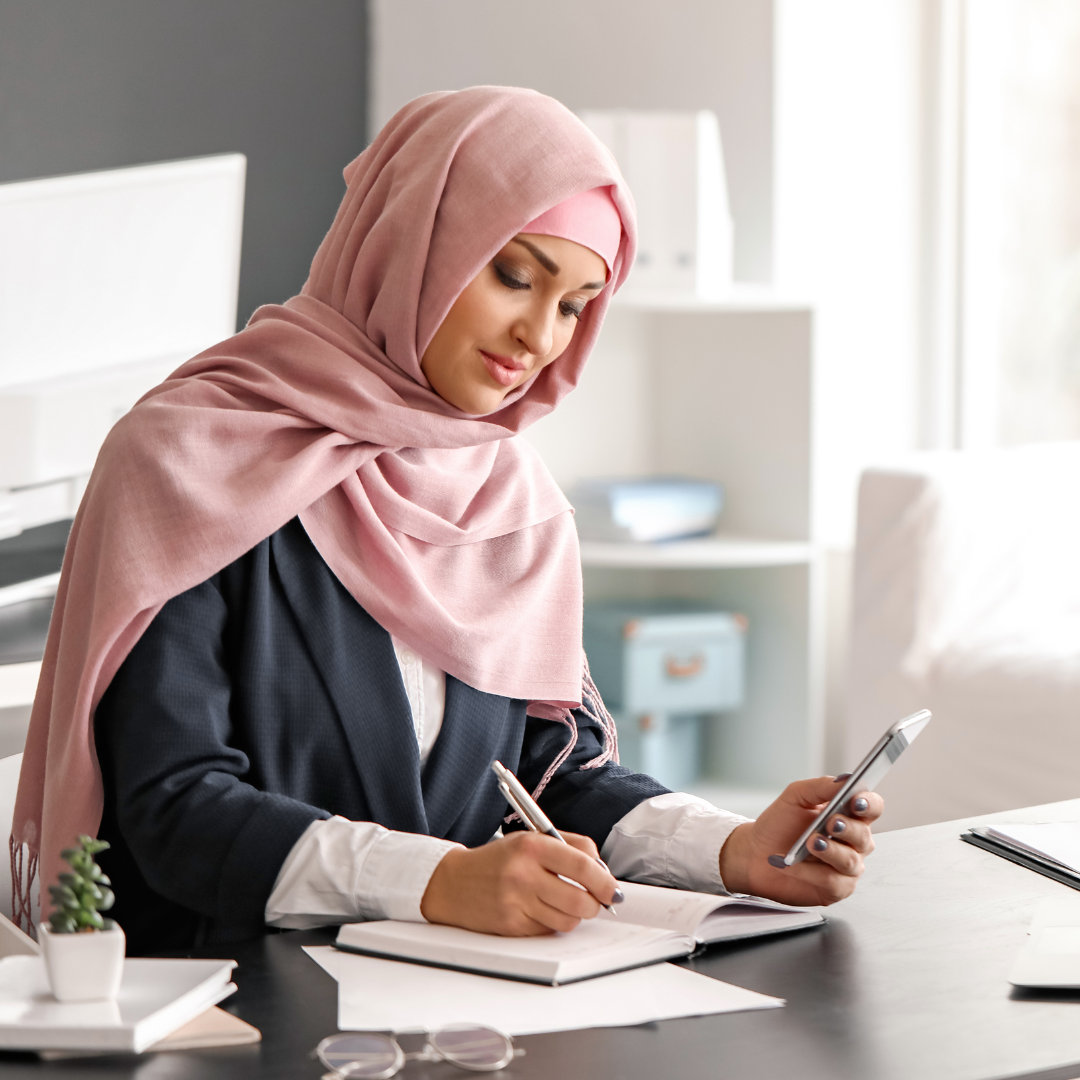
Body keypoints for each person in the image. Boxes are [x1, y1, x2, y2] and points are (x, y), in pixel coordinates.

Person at [10, 86, 882, 954]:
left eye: (576, 304)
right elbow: (175, 806)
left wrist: (730, 849)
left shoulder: (514, 502)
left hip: (463, 1001)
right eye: (514, 275)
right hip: (237, 1003)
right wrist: (434, 882)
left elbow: (551, 775)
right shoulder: (192, 457)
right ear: (411, 244)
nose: (541, 335)